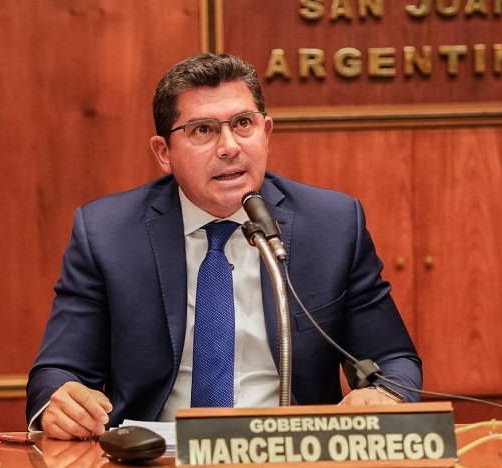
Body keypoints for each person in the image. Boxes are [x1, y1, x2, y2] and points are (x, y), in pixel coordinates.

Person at [26, 53, 423, 440]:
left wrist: (382, 394)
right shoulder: (108, 233)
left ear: (266, 133)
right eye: (203, 130)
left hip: (293, 457)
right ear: (164, 153)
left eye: (243, 123)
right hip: (154, 461)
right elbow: (58, 372)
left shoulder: (331, 225)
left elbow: (393, 360)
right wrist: (62, 402)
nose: (230, 146)